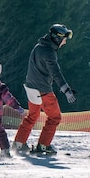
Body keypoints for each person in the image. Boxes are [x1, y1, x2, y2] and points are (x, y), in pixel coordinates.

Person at [12, 23, 76, 155]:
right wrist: (66, 90)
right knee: (55, 117)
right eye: (64, 39)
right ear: (57, 38)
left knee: (32, 116)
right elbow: (55, 73)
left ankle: (19, 143)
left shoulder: (39, 47)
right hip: (43, 91)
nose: (64, 42)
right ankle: (43, 145)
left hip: (31, 88)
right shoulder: (49, 53)